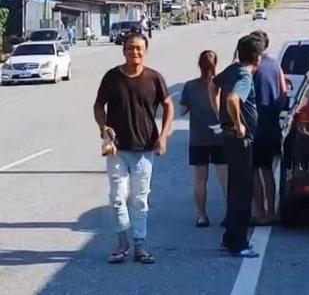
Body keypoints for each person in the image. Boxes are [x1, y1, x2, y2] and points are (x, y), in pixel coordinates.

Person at [93, 31, 174, 265]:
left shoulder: (154, 78)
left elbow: (168, 106)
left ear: (145, 51)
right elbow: (99, 105)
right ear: (123, 50)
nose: (134, 52)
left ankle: (140, 245)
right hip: (117, 149)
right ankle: (121, 244)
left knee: (140, 200)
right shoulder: (112, 77)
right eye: (130, 48)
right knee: (117, 198)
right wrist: (103, 126)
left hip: (145, 148)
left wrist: (164, 135)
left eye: (139, 48)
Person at [216, 34, 263, 258]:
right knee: (243, 192)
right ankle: (239, 243)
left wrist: (219, 114)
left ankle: (229, 238)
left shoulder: (230, 70)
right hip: (240, 140)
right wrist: (238, 124)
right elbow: (233, 98)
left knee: (235, 189)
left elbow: (213, 86)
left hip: (228, 138)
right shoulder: (244, 75)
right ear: (258, 58)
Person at [180, 50, 227, 227]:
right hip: (220, 136)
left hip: (198, 138)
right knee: (224, 178)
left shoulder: (190, 86)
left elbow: (182, 110)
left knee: (200, 178)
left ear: (199, 65)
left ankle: (201, 215)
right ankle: (229, 213)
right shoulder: (222, 86)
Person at [250, 29, 287, 225]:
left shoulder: (253, 67)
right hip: (272, 124)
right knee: (268, 171)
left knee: (254, 170)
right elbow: (283, 93)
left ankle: (259, 212)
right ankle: (271, 211)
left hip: (256, 125)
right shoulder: (275, 65)